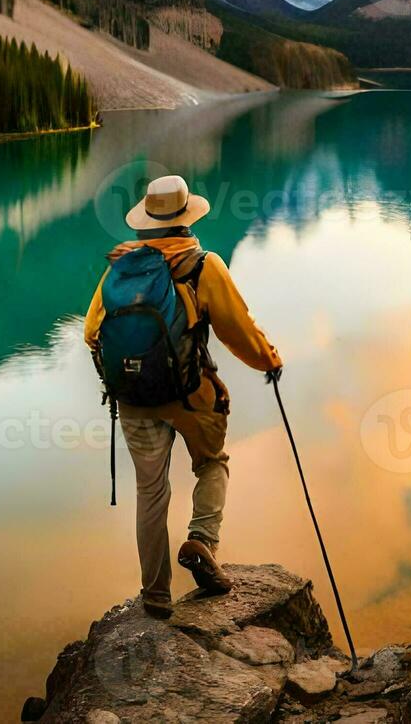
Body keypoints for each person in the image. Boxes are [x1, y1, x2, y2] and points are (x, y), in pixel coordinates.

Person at [84, 175, 282, 619]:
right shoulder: (203, 265)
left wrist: (132, 370)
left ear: (147, 221)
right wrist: (269, 362)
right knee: (213, 464)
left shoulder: (120, 268)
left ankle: (155, 596)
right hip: (190, 398)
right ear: (187, 218)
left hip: (133, 401)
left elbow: (91, 331)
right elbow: (238, 329)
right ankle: (202, 541)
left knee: (151, 492)